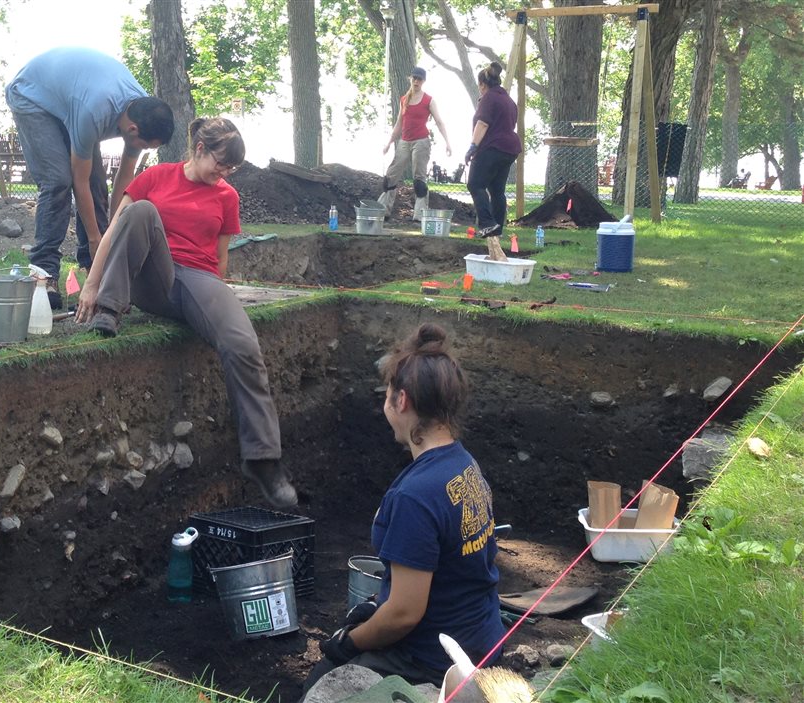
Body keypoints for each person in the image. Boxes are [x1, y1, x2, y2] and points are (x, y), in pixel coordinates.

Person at [74, 117, 296, 509]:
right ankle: (110, 309)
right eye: (221, 164)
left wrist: (219, 307)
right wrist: (92, 285)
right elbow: (115, 230)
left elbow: (221, 260)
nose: (224, 174)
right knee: (140, 211)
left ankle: (263, 460)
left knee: (242, 344)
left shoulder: (227, 196)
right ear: (199, 150)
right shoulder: (156, 176)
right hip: (150, 276)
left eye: (232, 170)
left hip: (198, 279)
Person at [301, 323, 504, 694]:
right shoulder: (464, 465)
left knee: (322, 682)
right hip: (482, 637)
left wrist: (350, 642)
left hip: (434, 659)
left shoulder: (413, 496)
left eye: (388, 393)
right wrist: (377, 609)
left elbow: (405, 614)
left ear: (402, 401)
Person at [5, 47, 175, 309]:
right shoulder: (93, 112)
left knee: (98, 184)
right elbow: (78, 181)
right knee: (58, 181)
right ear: (132, 130)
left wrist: (110, 236)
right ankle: (43, 274)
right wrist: (96, 240)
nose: (143, 150)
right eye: (144, 145)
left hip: (69, 98)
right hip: (32, 96)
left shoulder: (143, 112)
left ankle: (90, 270)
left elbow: (124, 180)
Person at [464, 62, 521, 262]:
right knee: (497, 191)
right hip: (510, 149)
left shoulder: (488, 98)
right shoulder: (508, 100)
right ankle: (498, 227)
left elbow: (482, 123)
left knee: (475, 184)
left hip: (492, 147)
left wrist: (472, 147)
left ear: (482, 84)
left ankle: (488, 224)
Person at [378, 66, 452, 221]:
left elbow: (439, 121)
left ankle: (419, 215)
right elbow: (399, 123)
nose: (416, 81)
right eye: (414, 78)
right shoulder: (404, 99)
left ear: (423, 81)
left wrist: (447, 142)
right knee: (391, 175)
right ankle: (383, 210)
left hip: (421, 141)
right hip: (404, 141)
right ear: (410, 79)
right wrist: (389, 143)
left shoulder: (428, 100)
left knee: (419, 179)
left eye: (419, 79)